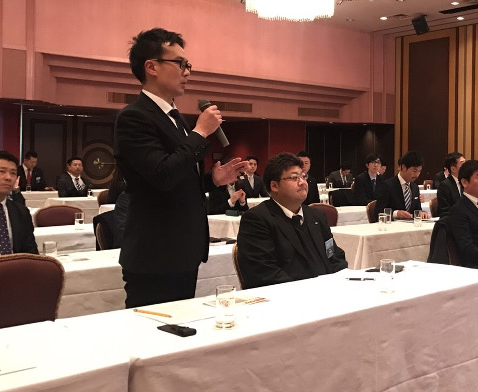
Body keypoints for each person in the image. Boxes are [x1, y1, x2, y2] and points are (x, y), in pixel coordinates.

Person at [115, 27, 248, 308]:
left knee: (182, 328)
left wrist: (212, 180)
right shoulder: (134, 117)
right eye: (180, 63)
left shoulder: (175, 118)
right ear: (151, 67)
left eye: (188, 65)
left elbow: (178, 176)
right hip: (155, 253)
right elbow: (161, 175)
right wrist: (200, 132)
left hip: (183, 250)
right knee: (153, 331)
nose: (187, 72)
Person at [237, 152, 347, 289]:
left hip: (328, 290)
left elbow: (334, 255)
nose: (302, 182)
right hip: (286, 295)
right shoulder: (257, 220)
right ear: (274, 186)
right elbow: (264, 272)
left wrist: (339, 282)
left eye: (303, 176)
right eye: (294, 178)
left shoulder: (316, 215)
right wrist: (309, 290)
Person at [0, 150, 39, 258]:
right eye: (1, 171)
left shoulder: (21, 212)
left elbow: (31, 254)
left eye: (13, 173)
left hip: (17, 267)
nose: (8, 177)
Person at [374, 151, 427, 221]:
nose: (417, 175)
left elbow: (417, 209)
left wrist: (421, 213)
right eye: (415, 171)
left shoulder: (415, 187)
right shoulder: (387, 185)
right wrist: (396, 213)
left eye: (419, 171)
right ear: (403, 167)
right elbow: (378, 211)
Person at [436, 152, 465, 217]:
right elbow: (445, 211)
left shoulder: (466, 183)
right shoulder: (445, 186)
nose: (466, 166)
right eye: (462, 164)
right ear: (453, 169)